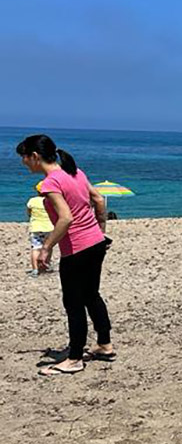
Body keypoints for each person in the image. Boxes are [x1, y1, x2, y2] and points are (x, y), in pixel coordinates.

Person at [16, 134, 115, 376]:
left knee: (73, 303)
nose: (24, 163)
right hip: (95, 243)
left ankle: (74, 358)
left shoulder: (51, 183)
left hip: (78, 249)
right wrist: (99, 231)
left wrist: (46, 247)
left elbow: (66, 218)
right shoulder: (75, 172)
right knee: (91, 295)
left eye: (24, 158)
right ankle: (104, 344)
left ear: (35, 157)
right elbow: (99, 200)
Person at [27, 181, 55, 277]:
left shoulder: (32, 201)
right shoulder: (52, 201)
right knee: (48, 247)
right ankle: (45, 265)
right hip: (49, 227)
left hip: (36, 228)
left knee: (35, 248)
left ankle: (35, 269)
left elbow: (29, 212)